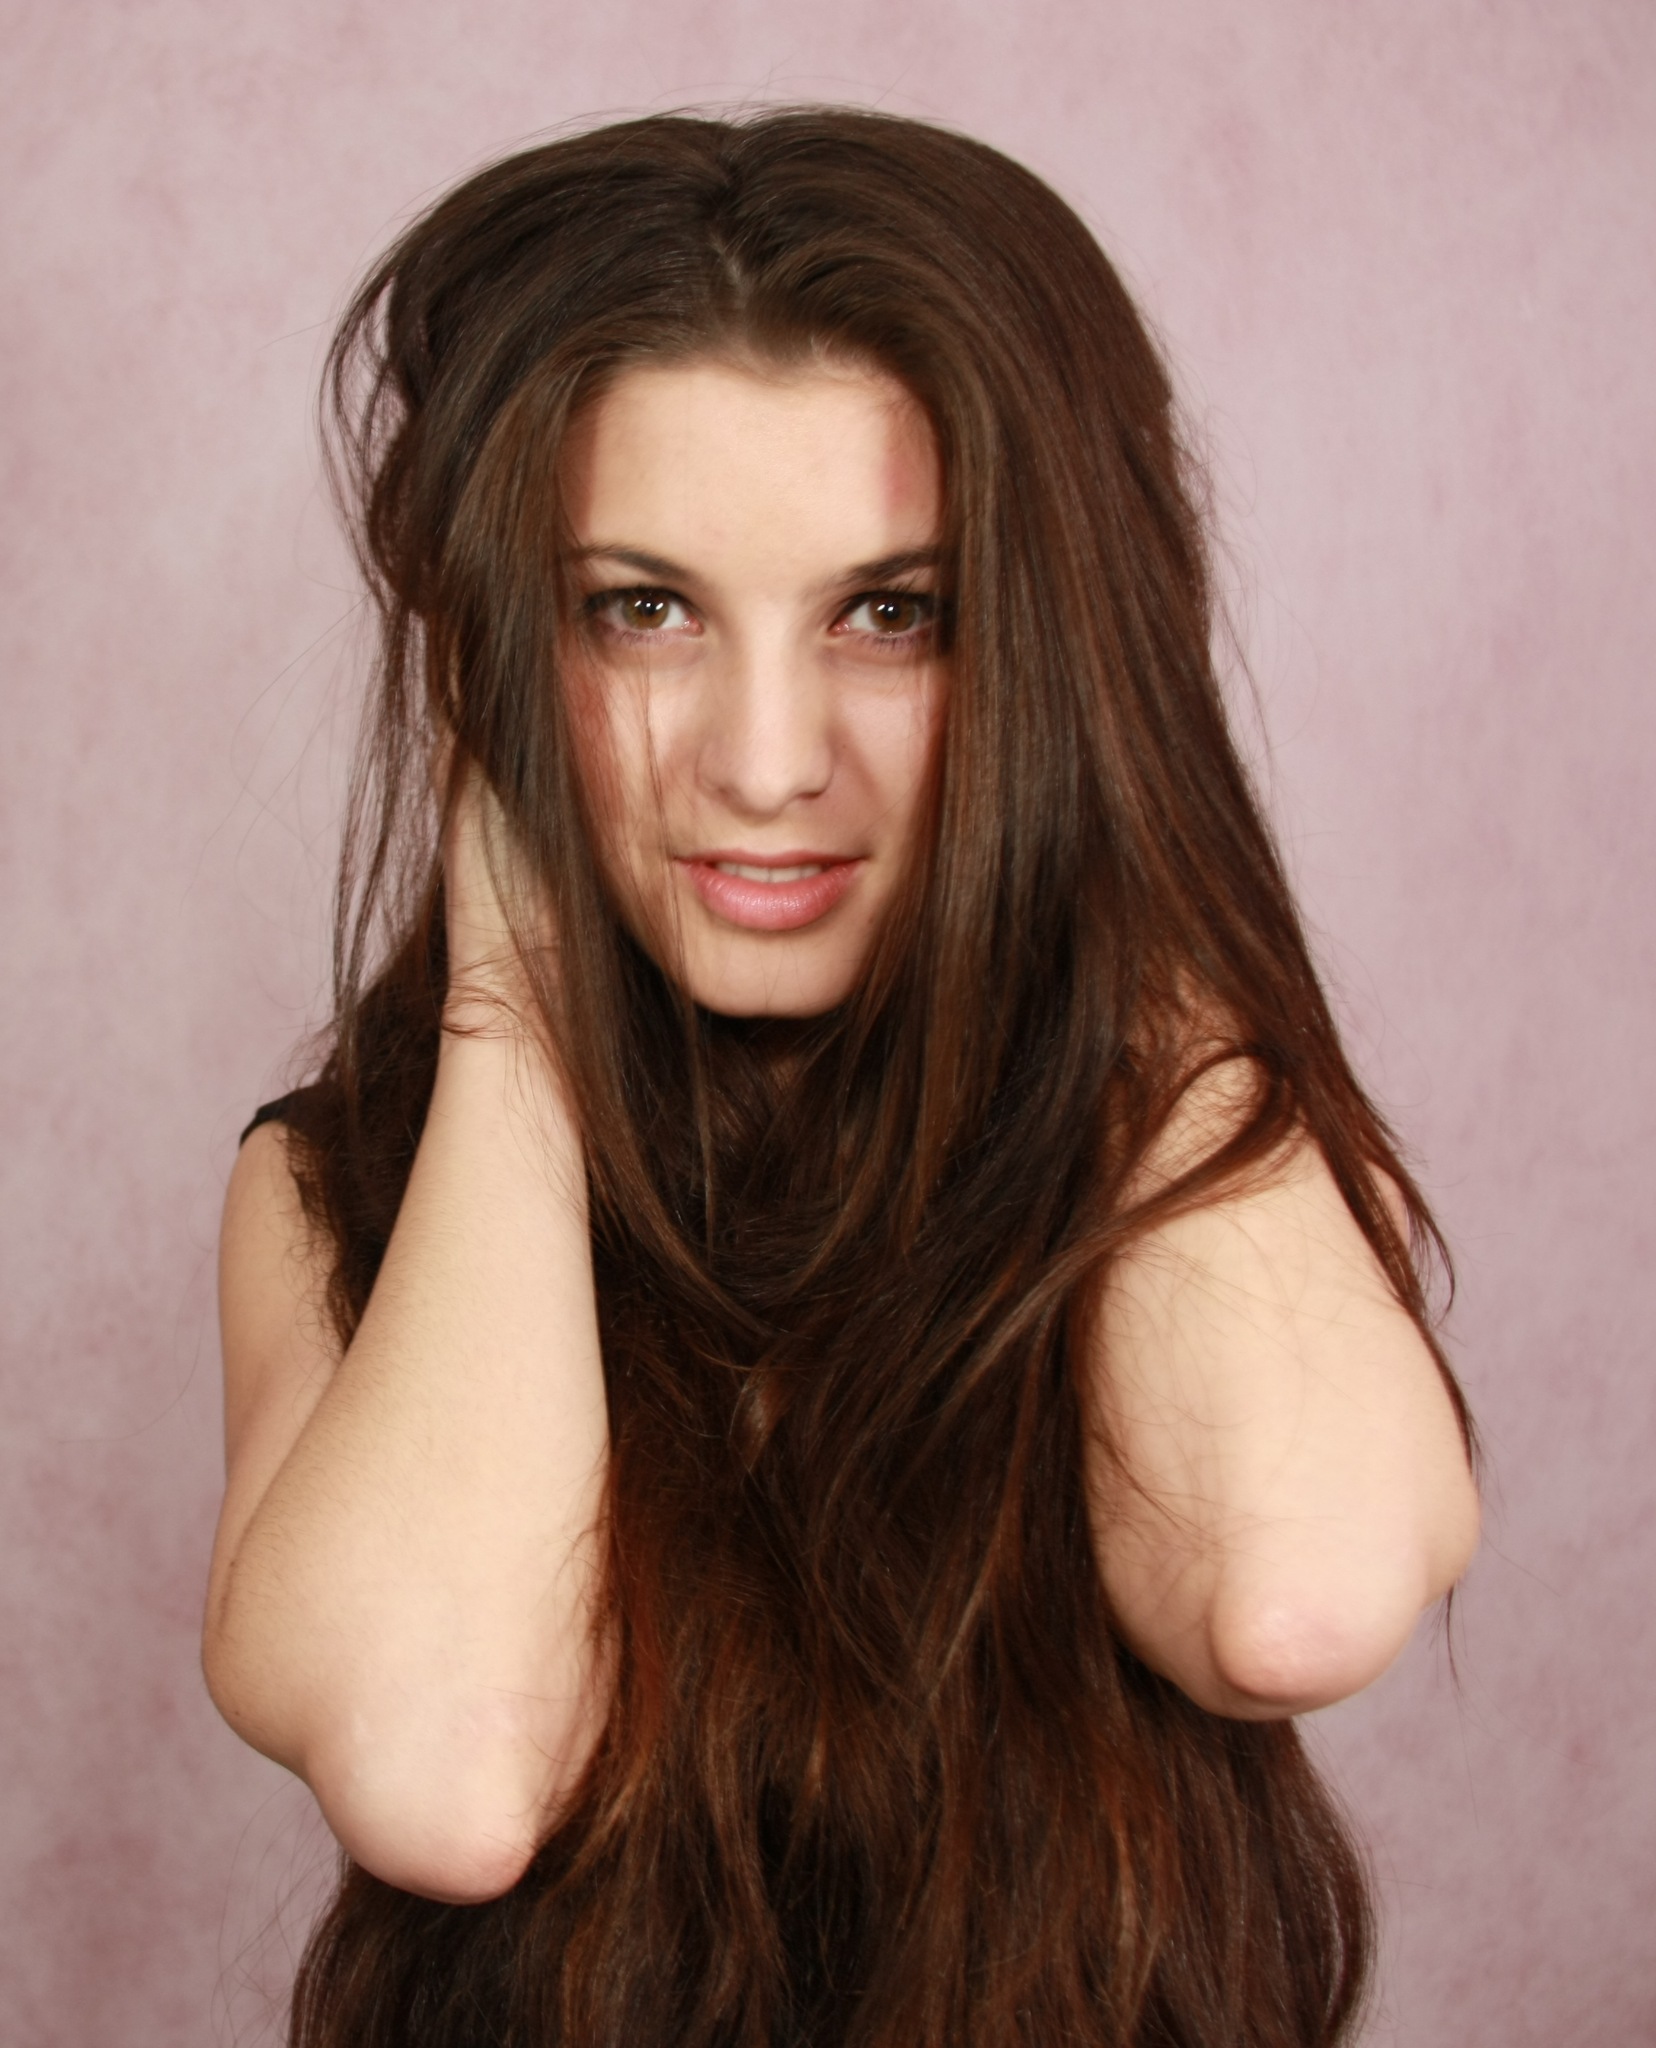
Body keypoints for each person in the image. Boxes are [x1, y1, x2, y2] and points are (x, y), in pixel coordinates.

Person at [202, 108, 1479, 2048]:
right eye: (641, 609)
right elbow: (445, 1772)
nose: (768, 759)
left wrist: (1108, 817)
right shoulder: (337, 1186)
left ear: (1050, 639)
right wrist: (513, 999)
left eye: (895, 612)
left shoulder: (1198, 1136)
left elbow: (1288, 1596)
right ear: (498, 654)